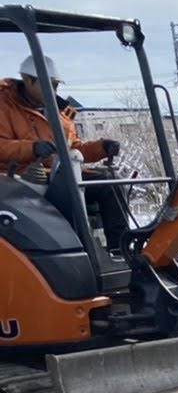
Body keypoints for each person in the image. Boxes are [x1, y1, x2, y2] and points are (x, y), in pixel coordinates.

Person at [0, 54, 127, 253]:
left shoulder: (59, 112)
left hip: (58, 173)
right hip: (20, 179)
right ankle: (75, 253)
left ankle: (119, 251)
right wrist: (31, 148)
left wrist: (102, 148)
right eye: (48, 84)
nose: (53, 91)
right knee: (70, 191)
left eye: (56, 85)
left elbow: (73, 148)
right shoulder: (4, 105)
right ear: (27, 80)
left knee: (110, 184)